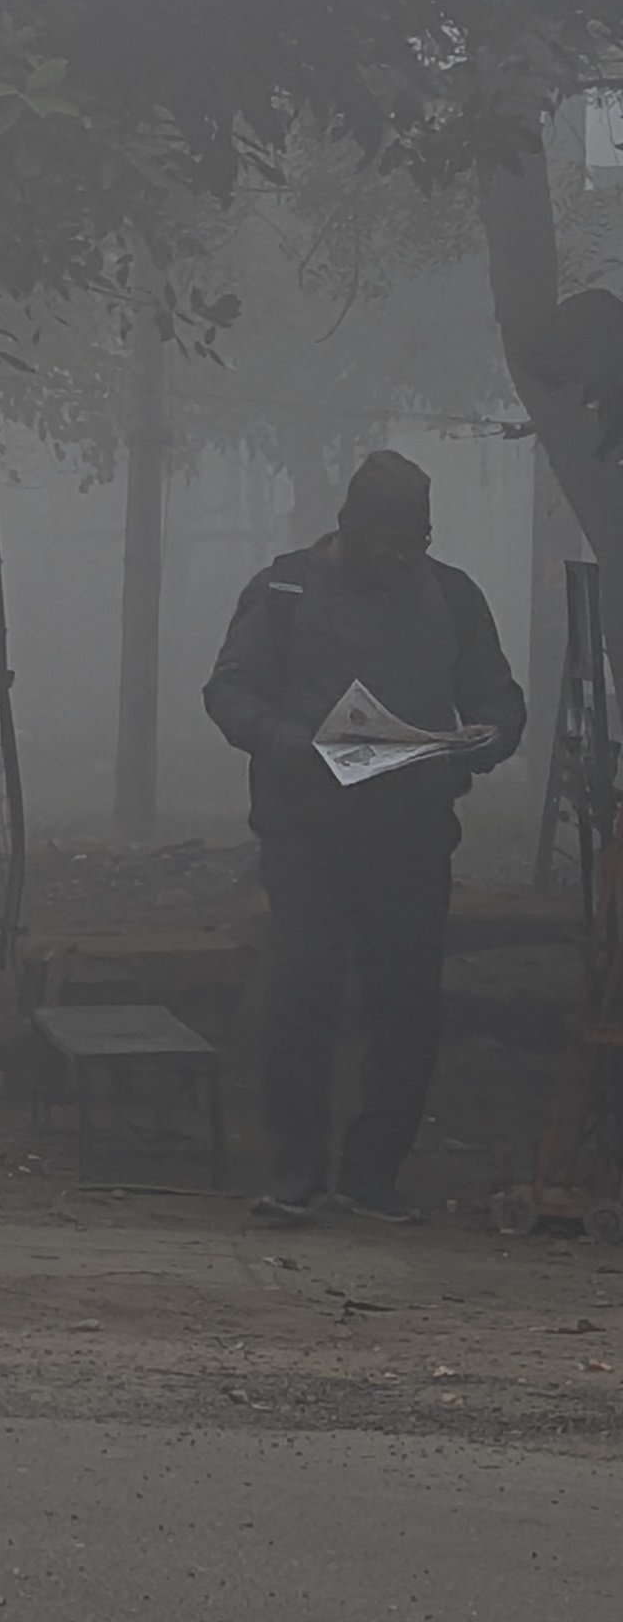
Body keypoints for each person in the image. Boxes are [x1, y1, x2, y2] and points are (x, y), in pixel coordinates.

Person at [203, 448, 524, 1223]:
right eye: (383, 542)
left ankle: (375, 1174)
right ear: (346, 527)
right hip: (307, 830)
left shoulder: (451, 595)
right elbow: (230, 690)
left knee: (407, 1003)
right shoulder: (285, 590)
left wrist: (487, 736)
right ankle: (296, 1171)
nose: (396, 559)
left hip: (412, 833)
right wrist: (289, 743)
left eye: (411, 544)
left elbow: (497, 696)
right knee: (302, 992)